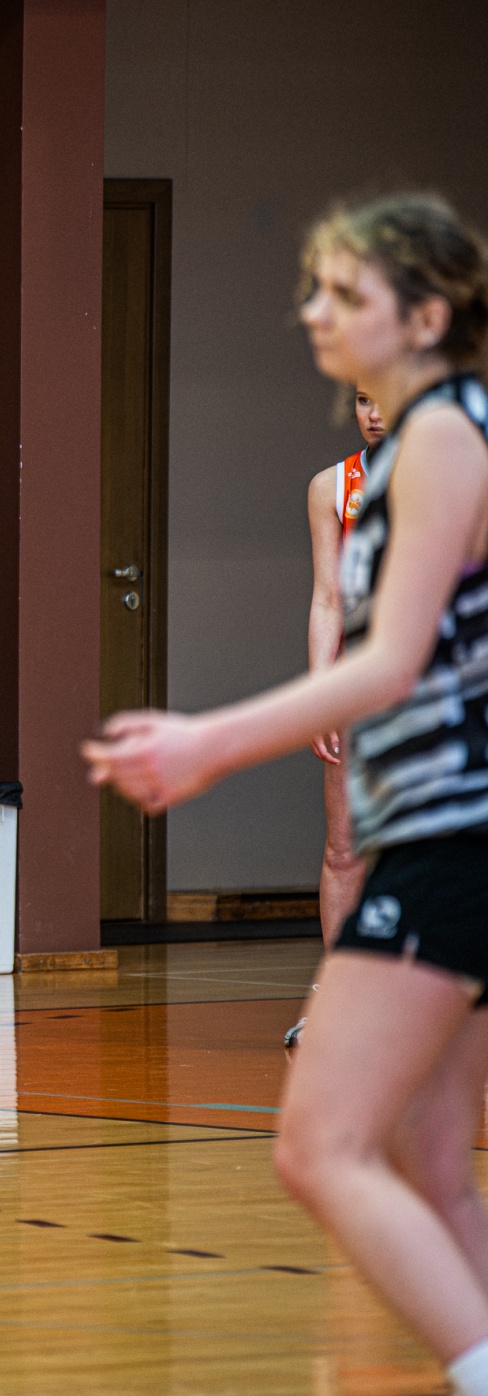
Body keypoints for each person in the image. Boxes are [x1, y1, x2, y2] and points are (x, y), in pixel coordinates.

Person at [85, 193, 488, 1396]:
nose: (316, 311)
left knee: (319, 1147)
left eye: (345, 292)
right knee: (431, 1158)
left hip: (458, 835)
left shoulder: (448, 436)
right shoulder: (400, 453)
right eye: (313, 288)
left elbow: (393, 659)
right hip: (436, 821)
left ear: (426, 315)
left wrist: (210, 741)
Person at [288, 388, 387, 1047]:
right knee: (345, 848)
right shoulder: (332, 486)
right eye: (361, 399)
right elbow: (327, 597)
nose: (373, 413)